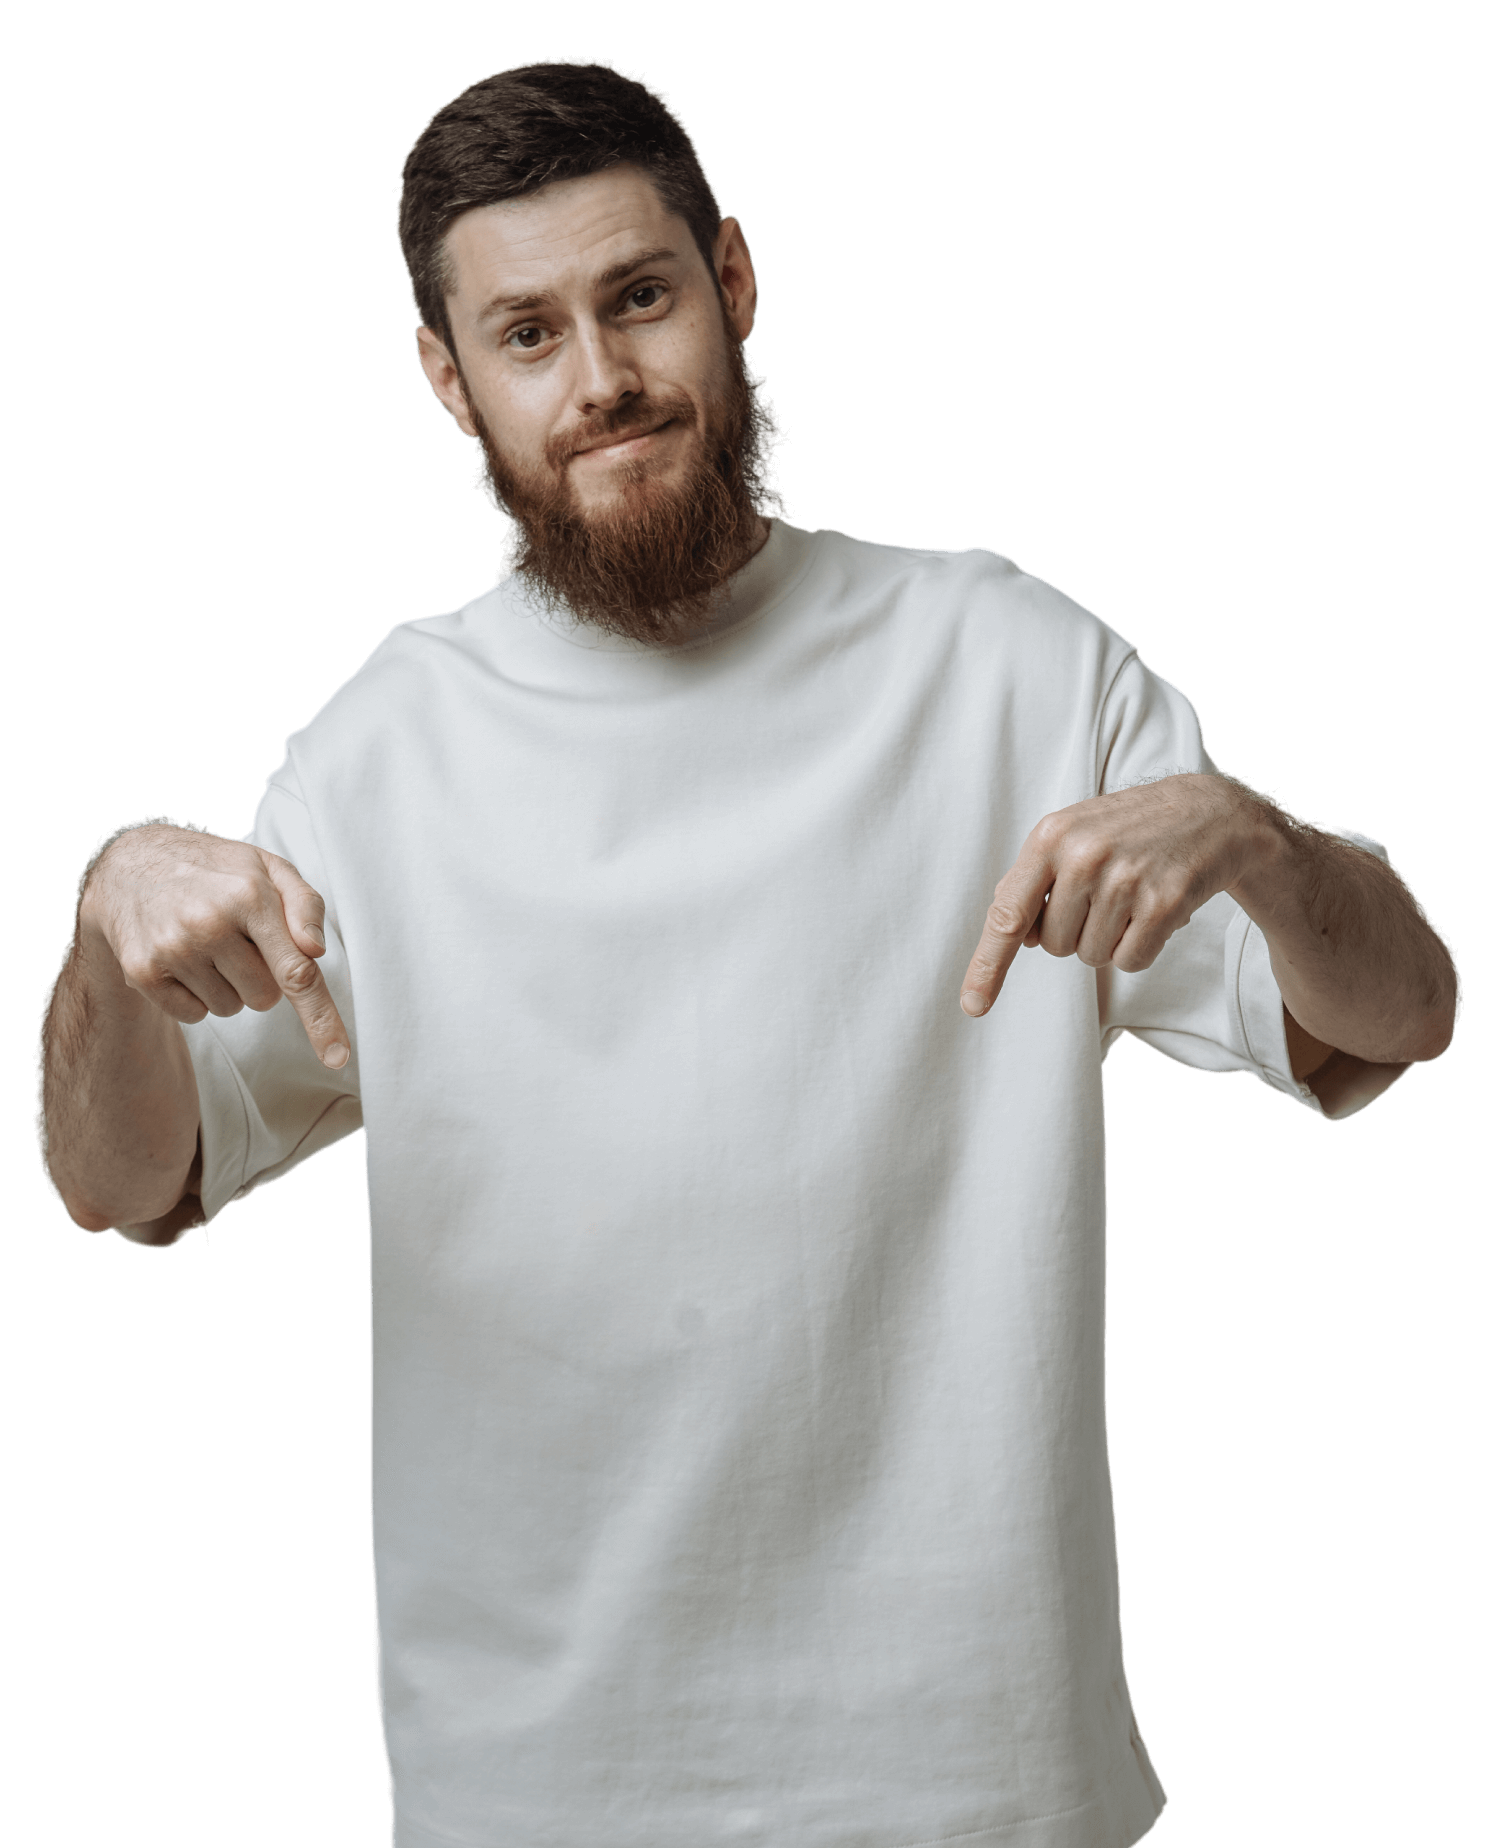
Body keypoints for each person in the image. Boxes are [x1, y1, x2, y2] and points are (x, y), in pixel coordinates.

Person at [35, 56, 1460, 1848]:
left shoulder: (1008, 665)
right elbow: (119, 1182)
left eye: (638, 298)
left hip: (984, 1784)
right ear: (448, 381)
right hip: (536, 1797)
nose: (601, 381)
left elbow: (1401, 1017)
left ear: (732, 280)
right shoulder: (378, 755)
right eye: (527, 334)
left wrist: (1253, 834)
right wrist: (109, 907)